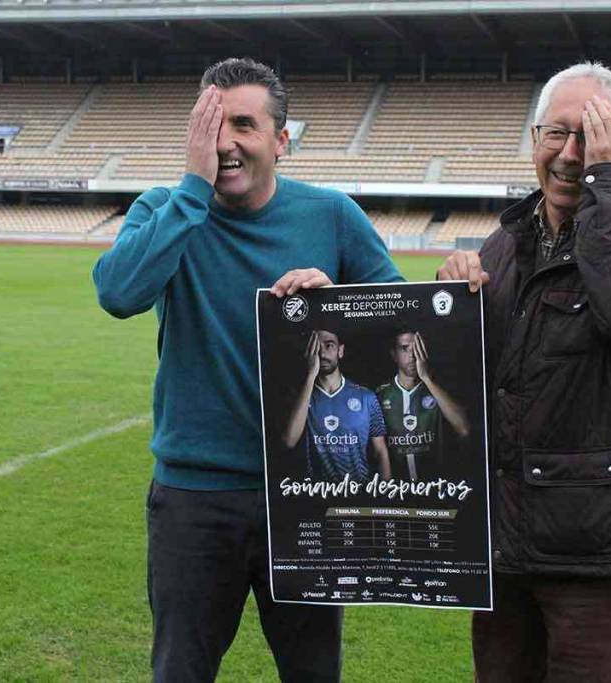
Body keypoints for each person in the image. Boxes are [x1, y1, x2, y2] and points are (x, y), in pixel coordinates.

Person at [92, 57, 401, 683]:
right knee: (181, 670)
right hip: (194, 498)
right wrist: (191, 191)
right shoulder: (165, 207)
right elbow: (120, 293)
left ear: (281, 141)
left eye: (243, 124)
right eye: (210, 125)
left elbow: (404, 327)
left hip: (307, 494)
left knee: (313, 671)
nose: (225, 143)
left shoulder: (332, 215)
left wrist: (337, 301)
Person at [436, 61, 611, 682]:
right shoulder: (504, 246)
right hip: (506, 547)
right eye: (557, 134)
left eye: (592, 137)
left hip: (597, 553)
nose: (570, 154)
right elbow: (466, 383)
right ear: (533, 140)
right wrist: (451, 296)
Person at [282, 329, 392, 482]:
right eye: (316, 347)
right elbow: (289, 441)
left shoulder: (366, 397)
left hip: (359, 492)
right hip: (318, 495)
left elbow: (380, 452)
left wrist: (386, 494)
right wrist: (311, 375)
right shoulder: (300, 398)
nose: (322, 354)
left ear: (340, 351)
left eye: (329, 345)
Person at [374, 330, 470, 480]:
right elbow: (376, 451)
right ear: (394, 355)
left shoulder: (438, 390)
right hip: (397, 492)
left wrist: (426, 378)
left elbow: (464, 429)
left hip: (436, 488)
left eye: (417, 348)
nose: (412, 356)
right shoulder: (380, 396)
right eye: (405, 349)